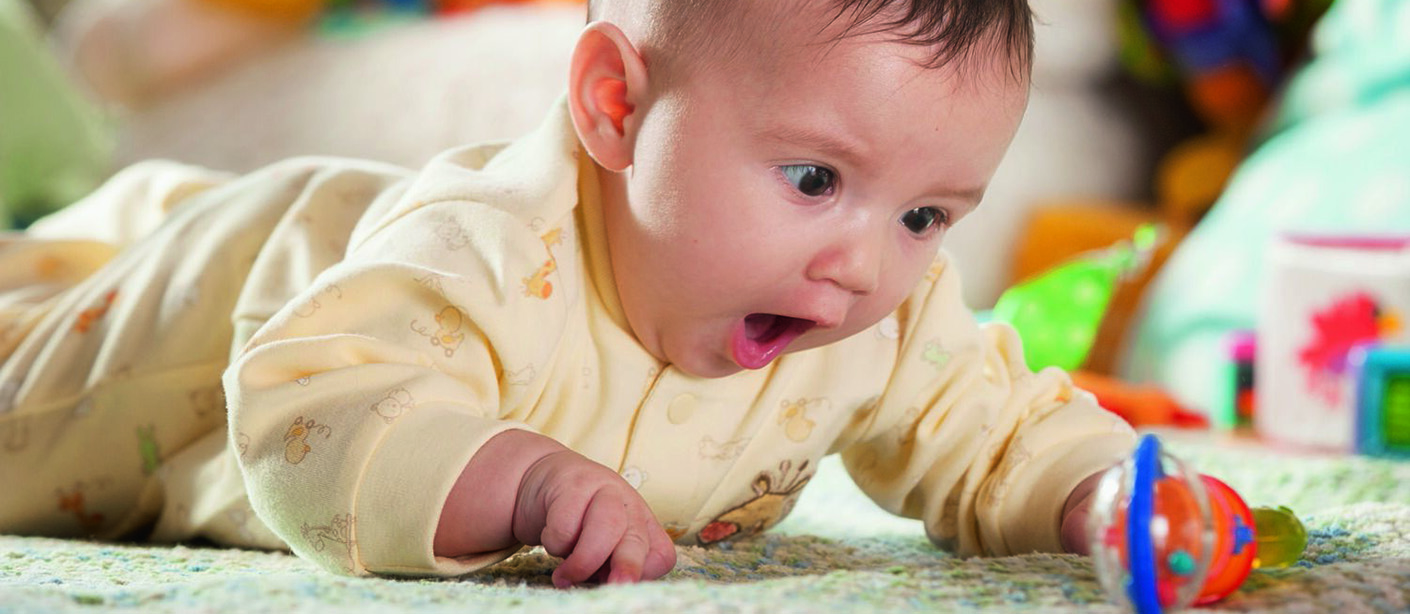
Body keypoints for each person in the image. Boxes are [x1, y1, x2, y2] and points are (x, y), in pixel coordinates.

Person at [0, 0, 1135, 588]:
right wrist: (527, 477)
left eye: (925, 216)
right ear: (615, 105)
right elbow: (308, 415)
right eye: (813, 179)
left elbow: (991, 430)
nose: (866, 266)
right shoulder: (485, 253)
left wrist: (1108, 494)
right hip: (221, 312)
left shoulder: (867, 308)